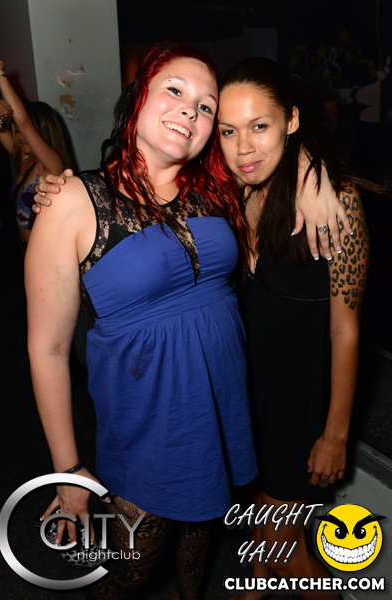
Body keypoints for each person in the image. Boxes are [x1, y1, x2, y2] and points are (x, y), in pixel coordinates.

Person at [25, 41, 259, 600]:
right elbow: (47, 349)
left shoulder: (219, 189)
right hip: (148, 421)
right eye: (175, 90)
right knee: (127, 573)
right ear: (138, 99)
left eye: (206, 106)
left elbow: (279, 151)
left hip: (218, 405)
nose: (190, 110)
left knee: (197, 544)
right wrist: (68, 469)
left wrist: (321, 185)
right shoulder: (74, 200)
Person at [218, 56, 384, 599]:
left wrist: (336, 434)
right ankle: (253, 587)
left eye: (258, 126)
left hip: (298, 400)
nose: (243, 148)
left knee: (287, 546)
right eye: (228, 131)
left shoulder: (338, 204)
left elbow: (345, 331)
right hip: (246, 392)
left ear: (290, 120)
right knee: (263, 526)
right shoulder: (231, 191)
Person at [0, 59, 71, 243]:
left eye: (25, 132)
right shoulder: (25, 158)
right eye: (17, 131)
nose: (21, 136)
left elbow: (24, 122)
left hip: (50, 248)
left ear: (44, 131)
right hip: (28, 247)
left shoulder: (51, 164)